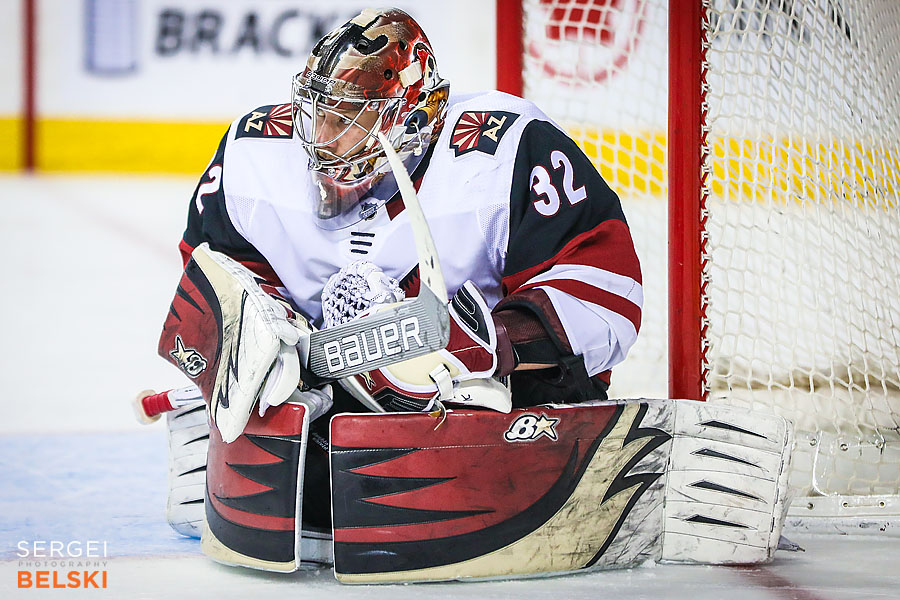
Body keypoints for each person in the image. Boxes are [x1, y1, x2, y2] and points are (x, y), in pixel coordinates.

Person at [159, 7, 642, 535]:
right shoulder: (254, 151)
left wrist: (494, 342)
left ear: (416, 116)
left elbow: (605, 287)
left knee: (501, 403)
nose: (325, 137)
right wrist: (255, 332)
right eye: (318, 111)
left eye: (351, 119)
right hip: (320, 400)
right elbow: (210, 280)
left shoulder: (507, 149)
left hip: (479, 412)